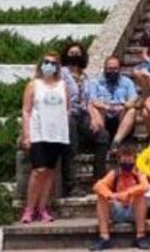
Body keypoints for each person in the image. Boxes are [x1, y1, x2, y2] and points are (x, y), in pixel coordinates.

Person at [20, 53, 71, 224]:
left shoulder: (63, 85)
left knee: (49, 172)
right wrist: (27, 135)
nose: (49, 65)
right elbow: (26, 111)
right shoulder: (33, 85)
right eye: (46, 62)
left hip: (57, 134)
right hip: (38, 132)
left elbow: (67, 108)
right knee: (38, 171)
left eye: (53, 63)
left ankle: (43, 208)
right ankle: (29, 208)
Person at [85, 56, 142, 177]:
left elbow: (134, 98)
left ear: (120, 69)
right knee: (95, 108)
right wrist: (106, 107)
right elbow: (92, 99)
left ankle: (116, 141)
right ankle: (103, 137)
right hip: (103, 118)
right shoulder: (95, 82)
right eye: (109, 68)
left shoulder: (127, 82)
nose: (112, 71)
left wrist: (124, 105)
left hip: (121, 120)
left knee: (131, 110)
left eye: (115, 68)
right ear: (105, 69)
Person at [89, 146, 150, 251]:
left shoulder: (138, 174)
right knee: (101, 197)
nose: (127, 163)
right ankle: (104, 237)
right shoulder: (114, 173)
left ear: (134, 160)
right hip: (117, 209)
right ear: (119, 160)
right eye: (124, 160)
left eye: (129, 160)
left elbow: (146, 186)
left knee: (141, 197)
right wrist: (112, 195)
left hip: (134, 211)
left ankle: (140, 236)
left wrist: (129, 192)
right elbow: (97, 186)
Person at [60, 42, 92, 198]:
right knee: (71, 143)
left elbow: (89, 100)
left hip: (83, 114)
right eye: (71, 53)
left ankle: (99, 178)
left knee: (102, 135)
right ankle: (71, 185)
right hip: (68, 114)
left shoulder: (85, 77)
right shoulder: (61, 74)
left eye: (77, 53)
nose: (74, 56)